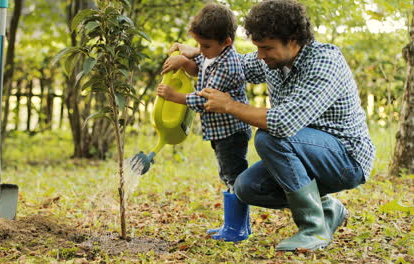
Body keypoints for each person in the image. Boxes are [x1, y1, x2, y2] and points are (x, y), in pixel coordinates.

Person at [172, 0, 376, 251]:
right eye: (258, 47)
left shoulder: (324, 63)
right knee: (246, 187)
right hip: (302, 150)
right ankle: (328, 209)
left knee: (268, 137)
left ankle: (314, 230)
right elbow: (234, 65)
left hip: (345, 159)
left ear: (293, 40)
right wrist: (202, 53)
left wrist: (229, 105)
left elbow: (282, 123)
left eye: (266, 48)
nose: (260, 55)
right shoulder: (272, 60)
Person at [157, 3, 252, 242]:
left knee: (233, 177)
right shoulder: (213, 55)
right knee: (228, 175)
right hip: (220, 131)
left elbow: (207, 98)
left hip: (232, 131)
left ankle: (236, 229)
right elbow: (200, 70)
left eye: (205, 46)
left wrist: (175, 97)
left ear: (227, 42)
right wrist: (184, 63)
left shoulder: (228, 63)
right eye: (199, 44)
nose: (200, 50)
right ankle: (238, 226)